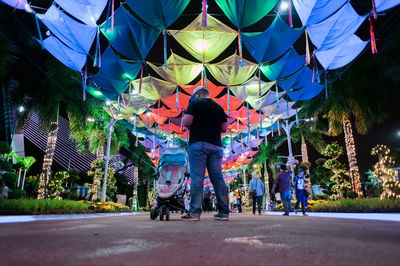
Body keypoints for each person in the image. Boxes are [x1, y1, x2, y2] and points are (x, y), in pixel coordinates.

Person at [182, 86, 230, 221]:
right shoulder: (219, 107)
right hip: (216, 146)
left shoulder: (194, 104)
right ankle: (224, 212)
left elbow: (186, 122)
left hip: (198, 144)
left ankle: (195, 213)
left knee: (197, 177)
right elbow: (224, 128)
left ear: (197, 95)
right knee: (218, 178)